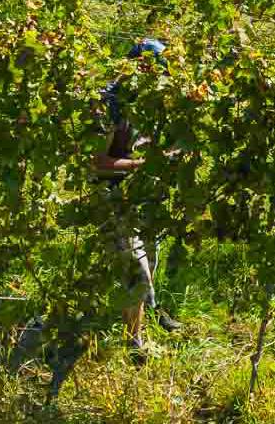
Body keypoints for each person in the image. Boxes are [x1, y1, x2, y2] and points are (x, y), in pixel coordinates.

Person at [96, 39, 182, 364]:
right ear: (136, 68)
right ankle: (135, 344)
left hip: (141, 193)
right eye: (153, 72)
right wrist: (144, 165)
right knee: (135, 267)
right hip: (110, 195)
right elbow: (96, 162)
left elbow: (147, 143)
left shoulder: (146, 102)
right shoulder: (109, 105)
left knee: (149, 258)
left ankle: (147, 312)